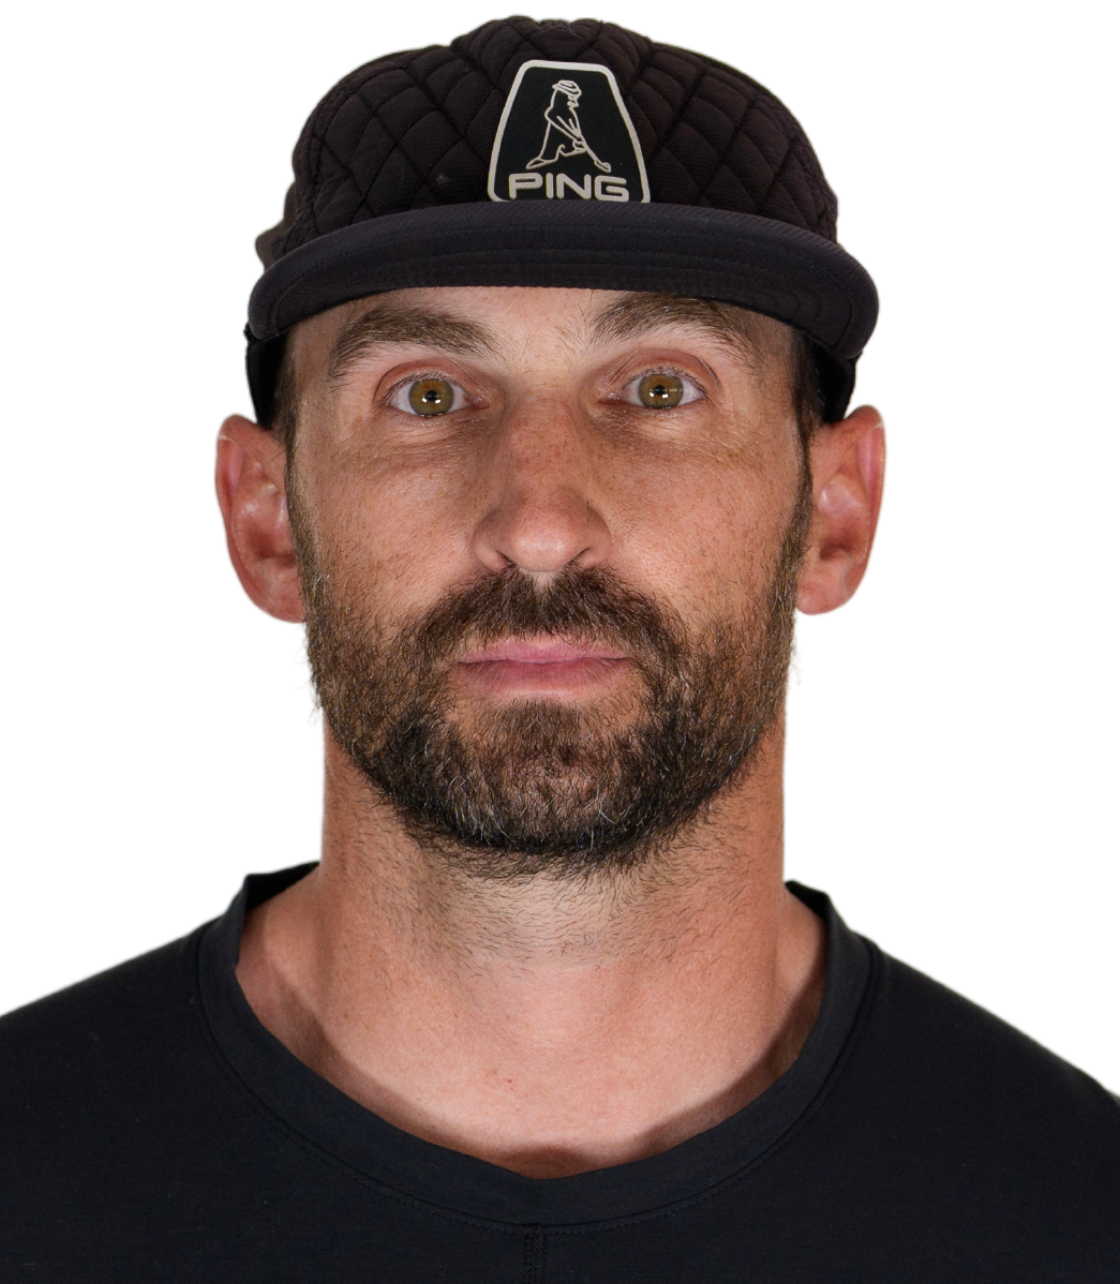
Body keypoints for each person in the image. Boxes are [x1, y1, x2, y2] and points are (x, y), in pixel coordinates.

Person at [2, 16, 1116, 1282]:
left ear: (837, 514)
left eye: (658, 389)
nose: (538, 524)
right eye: (427, 394)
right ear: (266, 522)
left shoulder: (1080, 1212)